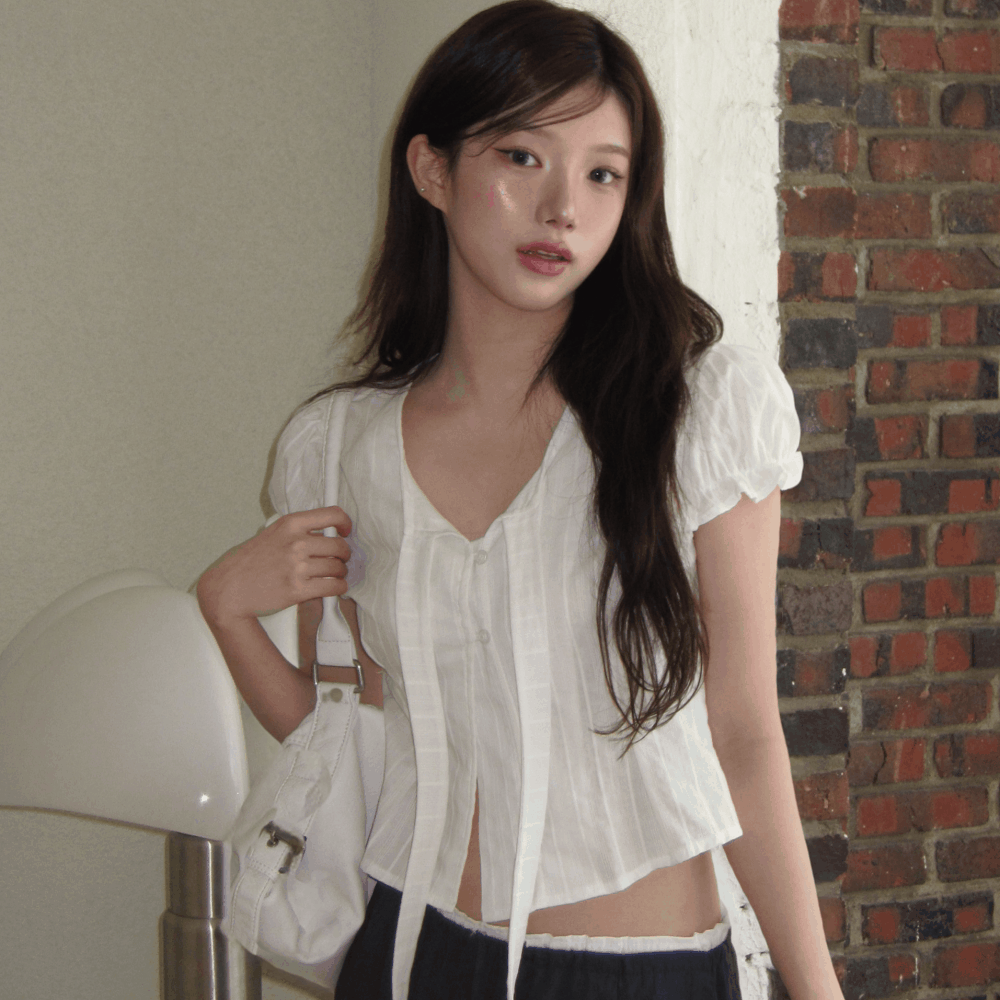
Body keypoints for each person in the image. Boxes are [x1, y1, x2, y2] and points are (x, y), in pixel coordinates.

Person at [197, 3, 845, 999]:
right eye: (521, 157)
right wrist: (227, 611)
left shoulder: (698, 408)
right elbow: (356, 737)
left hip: (641, 973)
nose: (562, 210)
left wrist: (816, 989)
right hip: (412, 953)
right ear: (432, 170)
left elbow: (744, 730)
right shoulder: (339, 447)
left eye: (602, 174)